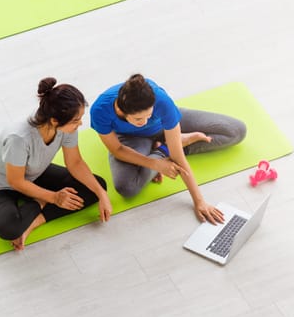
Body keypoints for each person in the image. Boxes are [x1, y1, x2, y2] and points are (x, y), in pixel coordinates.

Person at [0, 77, 113, 251]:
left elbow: (75, 162)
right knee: (9, 228)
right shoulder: (18, 138)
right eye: (76, 120)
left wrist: (102, 195)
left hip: (33, 173)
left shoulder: (65, 125)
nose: (80, 123)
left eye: (80, 118)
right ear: (55, 121)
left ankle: (33, 222)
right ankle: (40, 202)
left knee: (96, 186)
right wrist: (54, 197)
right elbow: (15, 181)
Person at [90, 74, 246, 224]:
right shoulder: (100, 110)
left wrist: (199, 201)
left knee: (237, 131)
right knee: (127, 188)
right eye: (138, 119)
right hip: (131, 139)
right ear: (123, 111)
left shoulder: (162, 101)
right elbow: (117, 149)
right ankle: (164, 149)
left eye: (149, 115)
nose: (144, 122)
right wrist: (155, 164)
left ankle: (174, 143)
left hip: (166, 125)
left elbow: (179, 158)